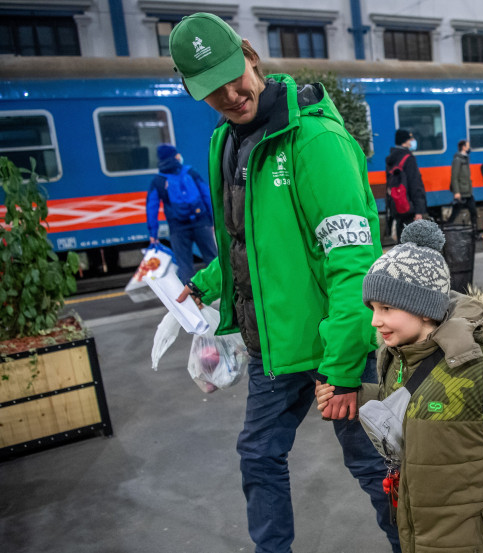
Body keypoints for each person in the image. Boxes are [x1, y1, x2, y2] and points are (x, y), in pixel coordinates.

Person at [167, 13, 400, 552]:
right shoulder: (227, 142)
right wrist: (207, 281)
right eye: (211, 89)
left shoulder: (314, 140)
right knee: (258, 454)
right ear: (192, 91)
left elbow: (353, 263)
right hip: (272, 348)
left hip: (334, 344)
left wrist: (343, 370)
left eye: (234, 74)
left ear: (252, 56)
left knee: (375, 467)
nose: (230, 94)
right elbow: (246, 240)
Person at [314, 220, 483, 553]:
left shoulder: (479, 371)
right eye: (372, 308)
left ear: (423, 309)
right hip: (421, 532)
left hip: (473, 539)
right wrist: (357, 396)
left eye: (386, 308)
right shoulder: (398, 359)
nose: (374, 320)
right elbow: (411, 403)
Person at [146, 143, 217, 284]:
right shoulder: (191, 172)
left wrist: (153, 234)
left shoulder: (158, 180)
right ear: (175, 156)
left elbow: (151, 208)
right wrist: (212, 220)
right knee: (212, 258)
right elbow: (207, 196)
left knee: (185, 265)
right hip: (201, 222)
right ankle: (223, 290)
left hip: (177, 227)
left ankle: (190, 299)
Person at [386, 128, 428, 241]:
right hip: (409, 207)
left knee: (402, 240)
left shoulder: (391, 159)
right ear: (405, 141)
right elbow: (415, 184)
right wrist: (419, 210)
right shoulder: (408, 159)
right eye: (410, 139)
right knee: (413, 243)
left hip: (397, 205)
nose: (412, 141)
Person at [448, 139, 477, 228]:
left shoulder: (465, 159)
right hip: (461, 192)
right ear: (463, 147)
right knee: (455, 213)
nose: (469, 148)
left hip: (468, 192)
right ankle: (446, 229)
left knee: (473, 212)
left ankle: (474, 232)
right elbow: (454, 177)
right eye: (468, 146)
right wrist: (456, 192)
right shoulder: (458, 160)